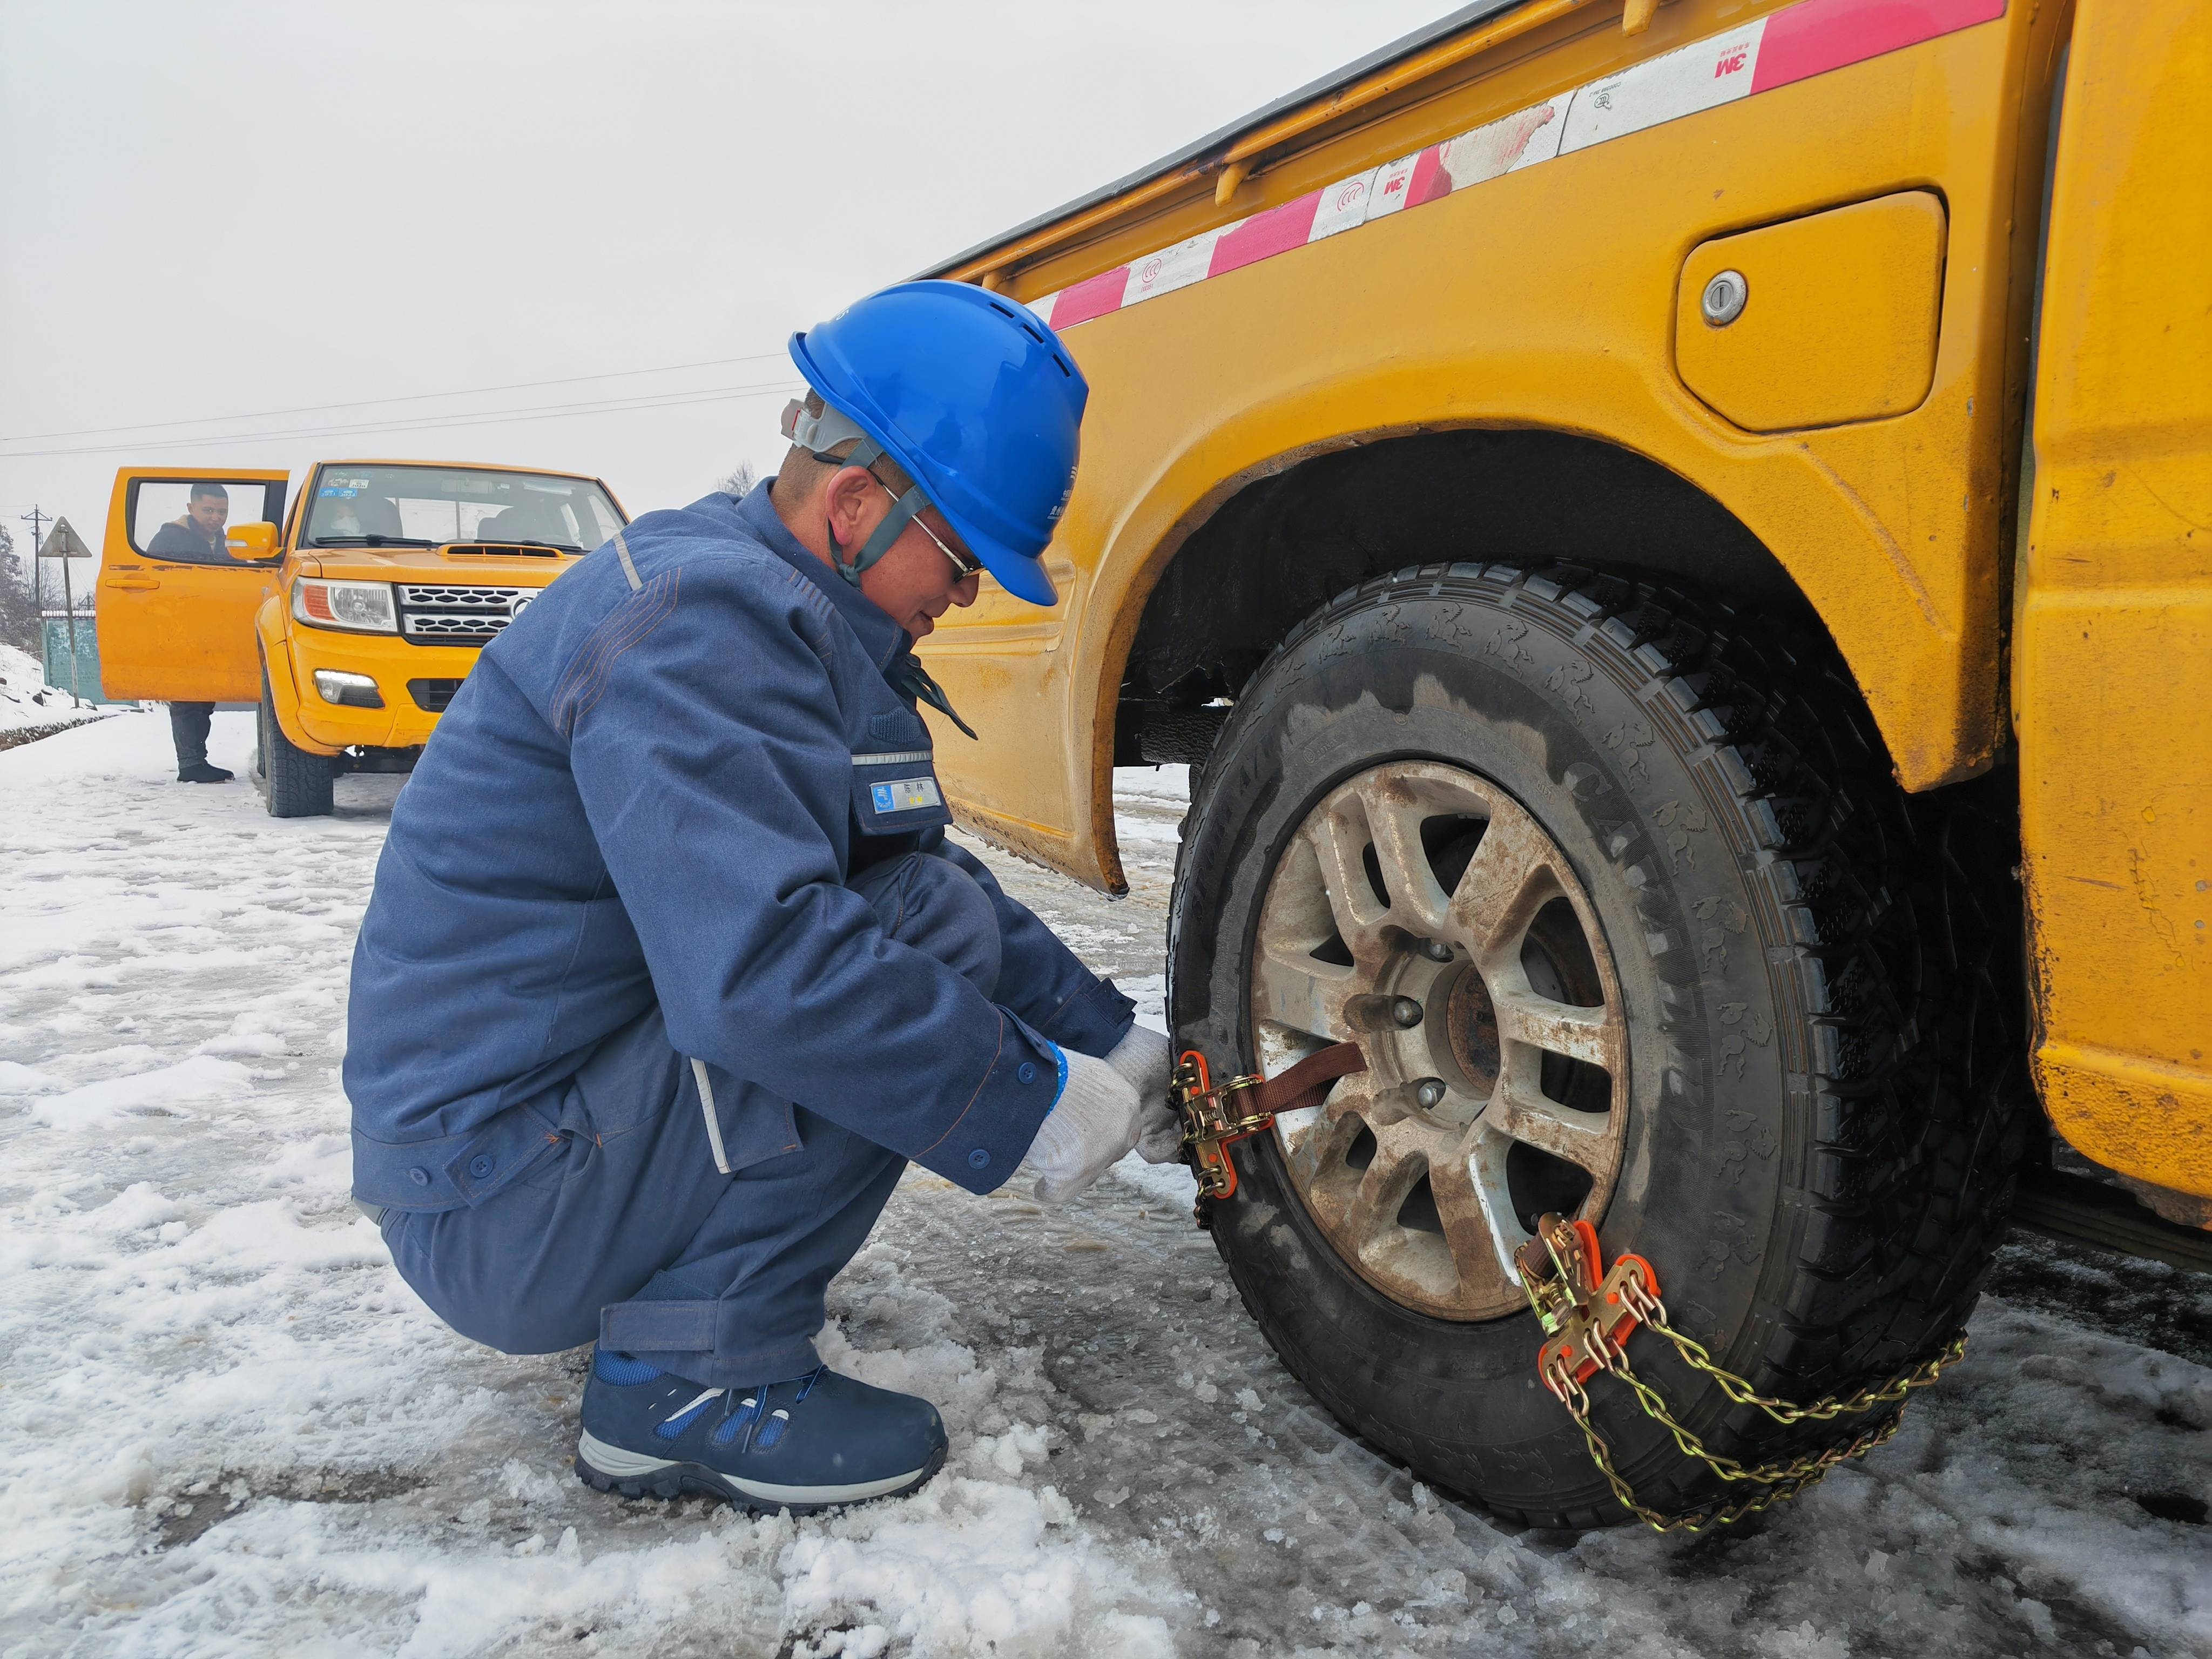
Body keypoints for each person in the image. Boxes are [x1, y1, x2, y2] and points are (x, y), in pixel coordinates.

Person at [344, 282, 1182, 1514]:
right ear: (856, 505)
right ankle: (685, 1381)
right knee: (862, 968)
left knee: (917, 921)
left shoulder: (774, 606)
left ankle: (688, 1298)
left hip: (538, 1146)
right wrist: (1030, 1095)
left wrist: (1110, 1039)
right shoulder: (700, 626)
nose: (967, 597)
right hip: (499, 1198)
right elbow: (763, 969)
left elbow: (916, 888)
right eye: (962, 560)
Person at [146, 481, 235, 783]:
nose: (216, 517)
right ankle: (191, 765)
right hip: (179, 629)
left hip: (210, 630)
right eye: (208, 510)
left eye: (222, 511)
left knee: (204, 697)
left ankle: (197, 761)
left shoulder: (223, 542)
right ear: (191, 508)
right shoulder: (169, 538)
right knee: (186, 697)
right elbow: (156, 585)